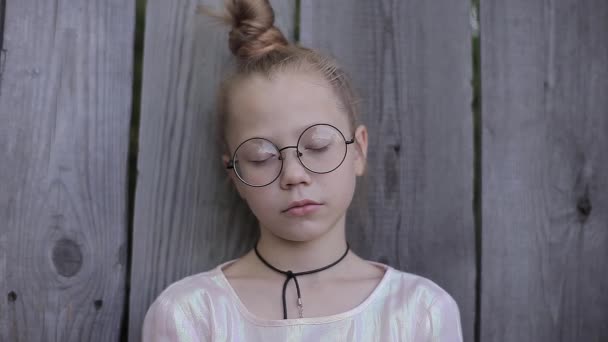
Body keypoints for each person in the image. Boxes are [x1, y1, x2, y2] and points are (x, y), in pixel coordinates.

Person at [142, 0, 463, 340]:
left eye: (318, 146)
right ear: (234, 175)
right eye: (262, 156)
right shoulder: (188, 314)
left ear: (359, 150)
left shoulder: (420, 312)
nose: (294, 175)